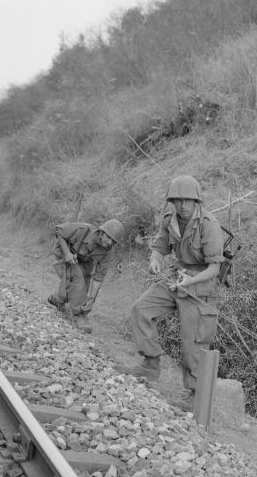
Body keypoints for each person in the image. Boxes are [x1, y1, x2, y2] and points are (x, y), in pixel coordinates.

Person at [121, 175, 224, 412]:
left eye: (188, 200)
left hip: (200, 284)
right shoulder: (170, 220)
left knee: (193, 345)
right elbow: (159, 247)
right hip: (176, 277)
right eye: (178, 200)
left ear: (197, 201)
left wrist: (191, 280)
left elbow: (214, 268)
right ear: (172, 202)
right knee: (141, 309)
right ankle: (150, 364)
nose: (183, 205)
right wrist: (155, 260)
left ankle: (196, 396)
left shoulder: (209, 224)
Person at [48, 219, 124, 333]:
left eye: (113, 241)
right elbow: (59, 230)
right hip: (65, 255)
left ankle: (59, 298)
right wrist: (67, 253)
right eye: (108, 238)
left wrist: (92, 299)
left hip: (83, 261)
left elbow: (99, 277)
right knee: (77, 279)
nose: (109, 243)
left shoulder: (107, 252)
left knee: (85, 280)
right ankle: (79, 315)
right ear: (101, 233)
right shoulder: (83, 230)